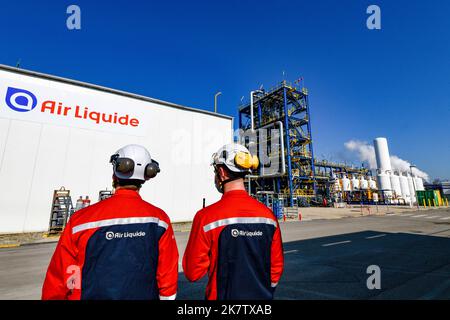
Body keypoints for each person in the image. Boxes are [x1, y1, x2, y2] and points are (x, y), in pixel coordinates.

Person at [42, 144, 178, 300]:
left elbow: (63, 274)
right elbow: (167, 274)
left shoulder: (80, 220)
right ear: (147, 176)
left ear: (115, 174)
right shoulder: (160, 220)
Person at [183, 143, 284, 300]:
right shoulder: (269, 216)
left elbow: (192, 273)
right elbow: (275, 270)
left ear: (222, 173)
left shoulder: (206, 217)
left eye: (216, 171)